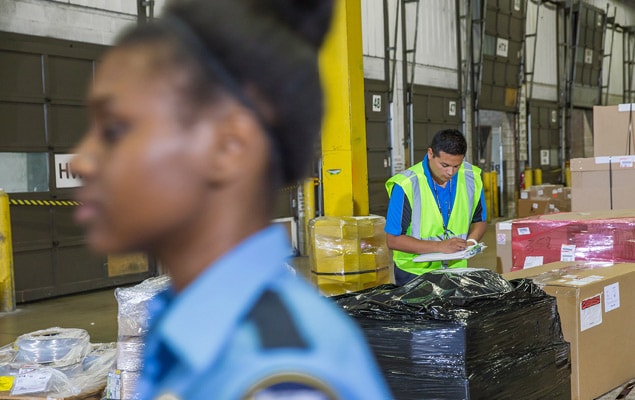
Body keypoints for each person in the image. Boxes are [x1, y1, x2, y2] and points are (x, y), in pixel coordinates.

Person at [71, 1, 392, 399]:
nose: (82, 160)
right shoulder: (197, 333)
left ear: (229, 146)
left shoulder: (276, 380)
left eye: (115, 128)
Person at [384, 129, 487, 286]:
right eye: (444, 165)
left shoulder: (471, 177)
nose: (450, 172)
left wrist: (471, 243)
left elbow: (480, 220)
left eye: (456, 166)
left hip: (456, 270)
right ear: (431, 153)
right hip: (414, 275)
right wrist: (439, 247)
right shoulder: (406, 185)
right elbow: (393, 240)